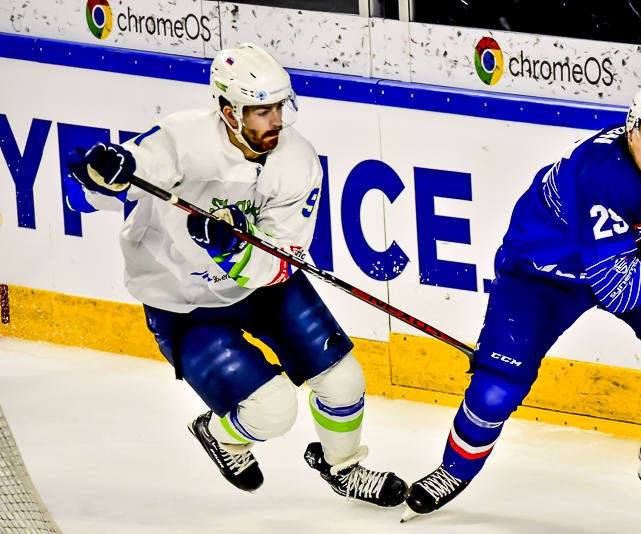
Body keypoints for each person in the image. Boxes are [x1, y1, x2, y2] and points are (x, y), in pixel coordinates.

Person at [403, 75, 641, 520]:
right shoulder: (599, 172)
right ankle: (452, 471)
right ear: (632, 126)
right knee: (497, 387)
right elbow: (617, 287)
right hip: (542, 274)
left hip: (622, 255)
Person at [64, 43, 407, 507]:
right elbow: (121, 178)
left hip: (263, 289)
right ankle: (221, 435)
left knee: (344, 379)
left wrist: (231, 250)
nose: (276, 120)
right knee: (273, 411)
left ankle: (342, 466)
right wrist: (99, 173)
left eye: (280, 107)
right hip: (183, 303)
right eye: (262, 111)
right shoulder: (183, 138)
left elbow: (282, 260)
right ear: (229, 112)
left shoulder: (298, 161)